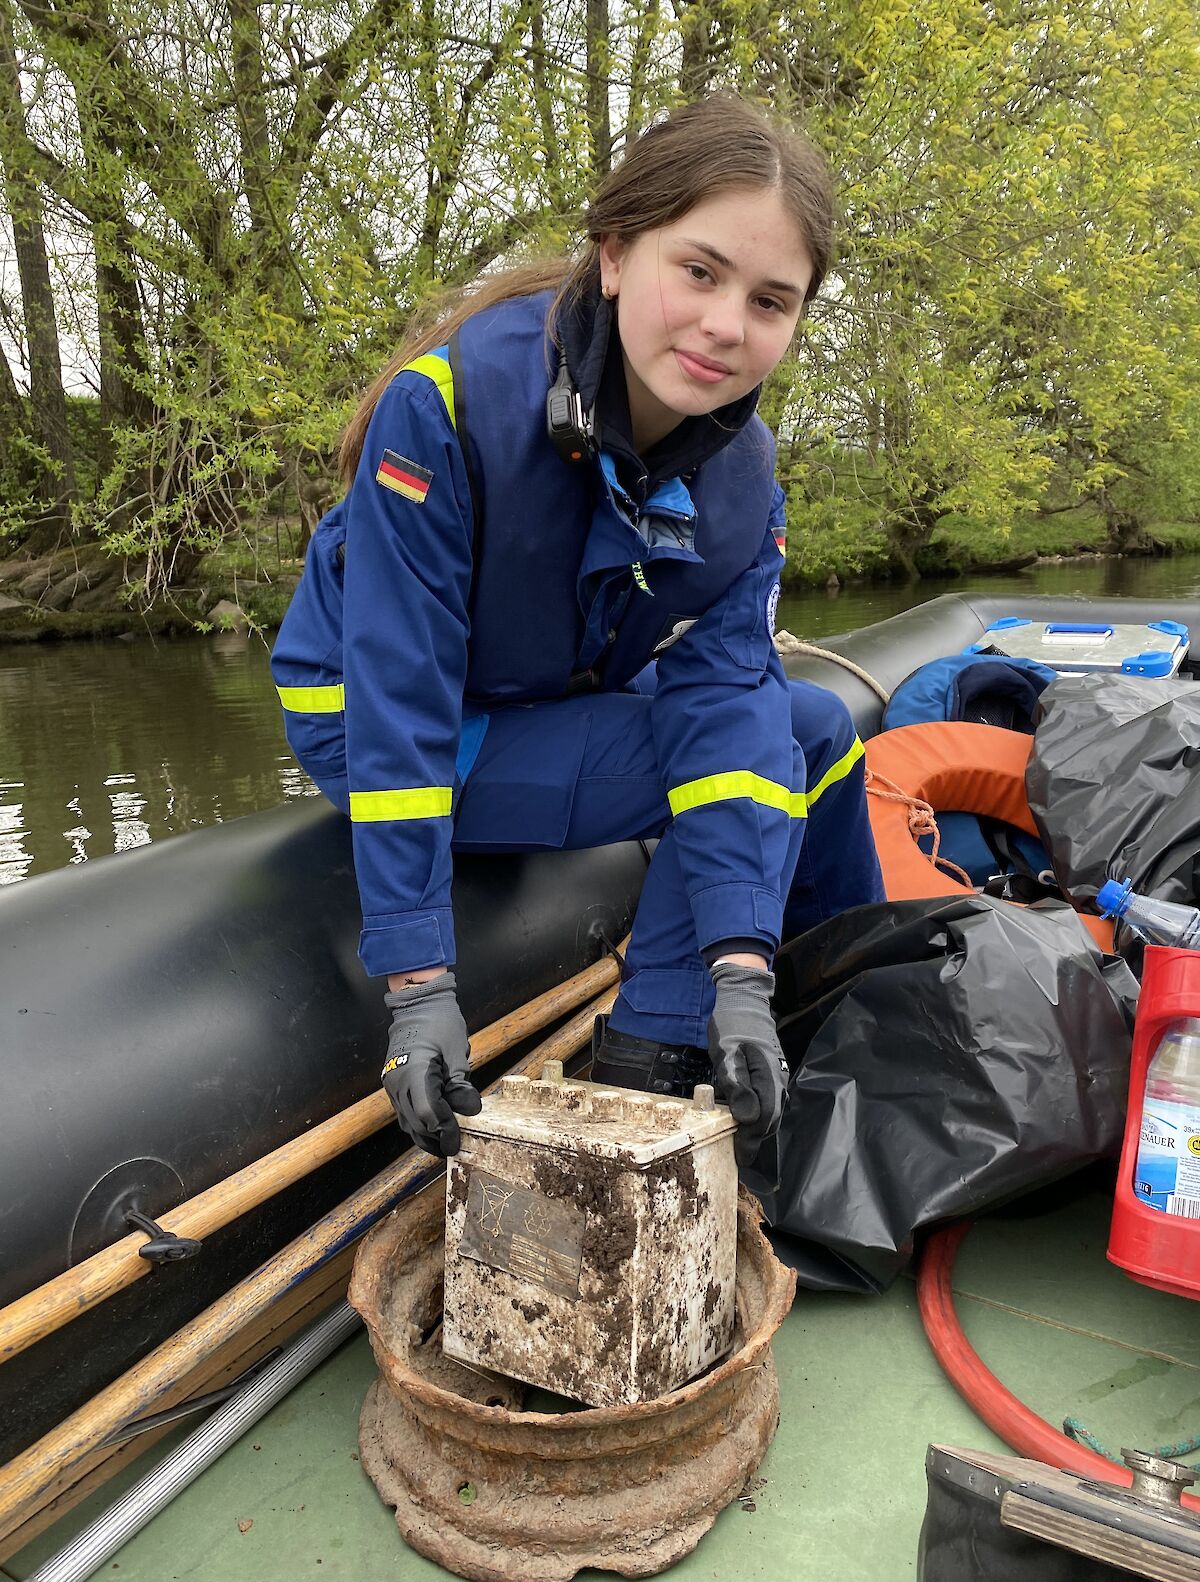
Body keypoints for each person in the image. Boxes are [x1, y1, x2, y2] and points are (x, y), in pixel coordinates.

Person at [272, 94, 884, 1168]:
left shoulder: (746, 479)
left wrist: (743, 970)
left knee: (817, 724)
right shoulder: (447, 408)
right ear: (613, 254)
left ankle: (831, 1008)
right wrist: (419, 986)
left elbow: (728, 694)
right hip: (385, 715)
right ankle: (644, 1063)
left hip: (540, 687)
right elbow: (400, 701)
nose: (728, 326)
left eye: (771, 301)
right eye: (698, 271)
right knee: (757, 756)